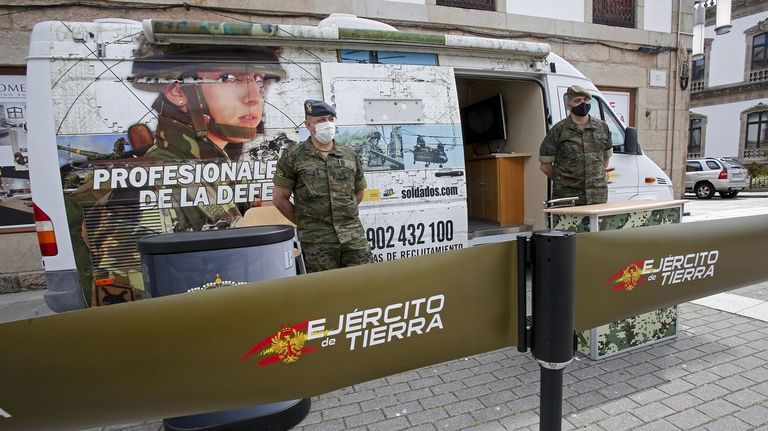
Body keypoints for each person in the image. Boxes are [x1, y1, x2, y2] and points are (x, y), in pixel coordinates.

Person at [63, 43, 286, 306]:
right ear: (178, 91)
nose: (253, 96)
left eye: (258, 80)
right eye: (228, 78)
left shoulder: (214, 170)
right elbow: (131, 305)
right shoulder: (138, 185)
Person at [272, 99, 373, 273]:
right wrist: (307, 224)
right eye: (320, 120)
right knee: (326, 293)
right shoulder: (293, 157)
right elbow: (279, 199)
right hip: (317, 243)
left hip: (353, 238)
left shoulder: (349, 154)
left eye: (330, 119)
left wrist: (343, 215)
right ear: (308, 125)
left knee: (365, 285)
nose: (327, 124)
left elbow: (359, 192)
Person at [539, 85, 613, 206]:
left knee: (595, 225)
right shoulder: (558, 130)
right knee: (565, 226)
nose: (583, 104)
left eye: (585, 100)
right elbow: (545, 166)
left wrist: (593, 178)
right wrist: (564, 182)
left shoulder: (602, 127)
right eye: (577, 100)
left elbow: (606, 157)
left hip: (597, 196)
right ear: (569, 104)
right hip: (568, 198)